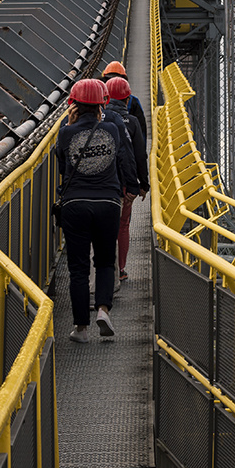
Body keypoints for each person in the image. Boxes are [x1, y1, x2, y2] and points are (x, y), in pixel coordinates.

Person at [56, 77, 139, 343]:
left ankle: (81, 328)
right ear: (102, 104)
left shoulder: (66, 132)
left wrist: (69, 127)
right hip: (108, 203)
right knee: (104, 262)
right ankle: (103, 310)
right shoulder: (112, 130)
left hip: (75, 204)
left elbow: (62, 168)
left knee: (78, 268)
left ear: (74, 105)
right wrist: (132, 188)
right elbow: (124, 158)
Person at [105, 75, 149, 281]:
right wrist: (142, 184)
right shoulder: (132, 122)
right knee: (122, 226)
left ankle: (103, 269)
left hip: (102, 183)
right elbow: (140, 155)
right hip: (124, 184)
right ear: (127, 98)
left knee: (101, 227)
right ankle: (120, 269)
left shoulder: (100, 120)